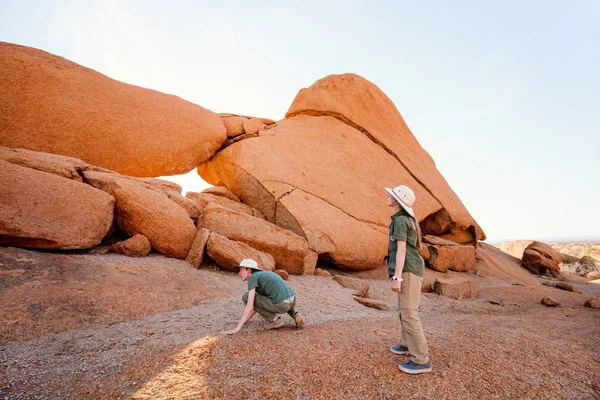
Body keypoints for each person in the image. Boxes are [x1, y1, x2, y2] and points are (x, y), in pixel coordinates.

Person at [383, 184, 432, 374]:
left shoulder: (401, 221)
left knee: (409, 313)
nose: (388, 197)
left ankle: (421, 360)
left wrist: (397, 276)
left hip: (409, 270)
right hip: (410, 269)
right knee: (404, 311)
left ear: (397, 201)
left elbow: (402, 250)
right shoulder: (402, 219)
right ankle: (406, 344)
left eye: (391, 196)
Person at [220, 258, 304, 335]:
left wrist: (236, 329)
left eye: (241, 270)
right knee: (279, 298)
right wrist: (245, 320)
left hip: (281, 304)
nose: (239, 273)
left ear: (248, 270)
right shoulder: (263, 275)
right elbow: (258, 304)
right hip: (292, 301)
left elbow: (250, 306)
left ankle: (275, 321)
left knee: (246, 296)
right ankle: (296, 315)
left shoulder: (253, 277)